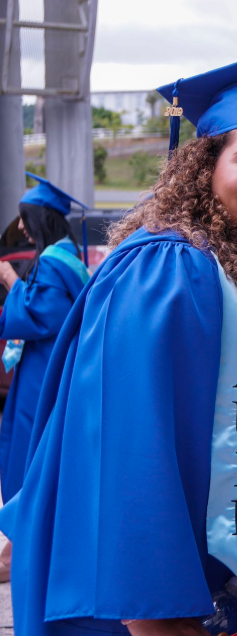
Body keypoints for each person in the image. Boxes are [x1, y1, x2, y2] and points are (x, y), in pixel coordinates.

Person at [0, 47, 237, 636]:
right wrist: (158, 619)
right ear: (206, 166)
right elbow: (132, 448)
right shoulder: (168, 270)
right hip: (165, 605)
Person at [0, 175, 90, 582]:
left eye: (24, 218)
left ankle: (21, 550)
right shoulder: (68, 256)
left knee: (31, 452)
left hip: (43, 376)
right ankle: (19, 545)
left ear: (40, 219)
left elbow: (41, 317)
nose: (20, 227)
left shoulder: (53, 262)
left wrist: (9, 280)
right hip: (47, 369)